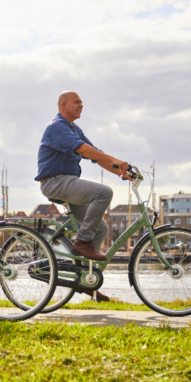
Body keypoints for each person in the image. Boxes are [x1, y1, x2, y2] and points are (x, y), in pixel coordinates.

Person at [35, 91, 132, 263]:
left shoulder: (74, 129)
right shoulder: (57, 126)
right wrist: (115, 160)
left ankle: (84, 277)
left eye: (82, 102)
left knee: (100, 228)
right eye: (77, 102)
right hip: (55, 182)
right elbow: (81, 149)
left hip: (67, 183)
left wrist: (121, 171)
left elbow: (96, 155)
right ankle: (82, 242)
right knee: (104, 193)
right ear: (64, 105)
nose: (82, 105)